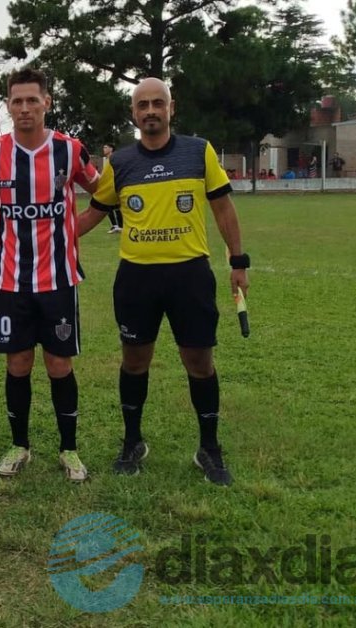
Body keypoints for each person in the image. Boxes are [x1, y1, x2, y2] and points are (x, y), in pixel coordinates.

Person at [77, 77, 249, 487]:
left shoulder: (198, 151)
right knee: (135, 361)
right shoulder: (118, 163)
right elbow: (94, 213)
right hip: (137, 278)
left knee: (200, 362)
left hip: (190, 275)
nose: (150, 111)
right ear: (133, 114)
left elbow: (223, 208)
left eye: (158, 103)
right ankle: (132, 442)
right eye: (142, 105)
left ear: (172, 108)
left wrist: (238, 262)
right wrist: (47, 233)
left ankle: (209, 447)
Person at [0, 68, 100, 482]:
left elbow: (103, 194)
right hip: (10, 280)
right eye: (17, 101)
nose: (24, 108)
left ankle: (69, 449)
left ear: (47, 102)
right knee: (18, 363)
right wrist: (5, 212)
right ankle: (19, 445)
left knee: (59, 365)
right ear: (7, 106)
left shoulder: (70, 150)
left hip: (58, 280)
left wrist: (73, 229)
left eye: (32, 100)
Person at [102, 144, 122, 233]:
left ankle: (120, 226)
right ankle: (115, 226)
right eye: (103, 147)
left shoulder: (115, 159)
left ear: (111, 149)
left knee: (117, 207)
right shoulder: (106, 160)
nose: (104, 149)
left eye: (106, 147)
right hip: (109, 187)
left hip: (115, 186)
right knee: (109, 207)